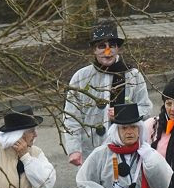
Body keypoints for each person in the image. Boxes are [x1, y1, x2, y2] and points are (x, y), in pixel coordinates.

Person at [64, 22, 152, 165]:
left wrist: (123, 112)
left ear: (118, 48)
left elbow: (146, 108)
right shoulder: (81, 78)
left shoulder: (132, 76)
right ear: (94, 50)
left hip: (126, 150)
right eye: (101, 46)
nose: (107, 51)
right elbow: (71, 116)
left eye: (112, 45)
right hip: (92, 151)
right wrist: (74, 149)